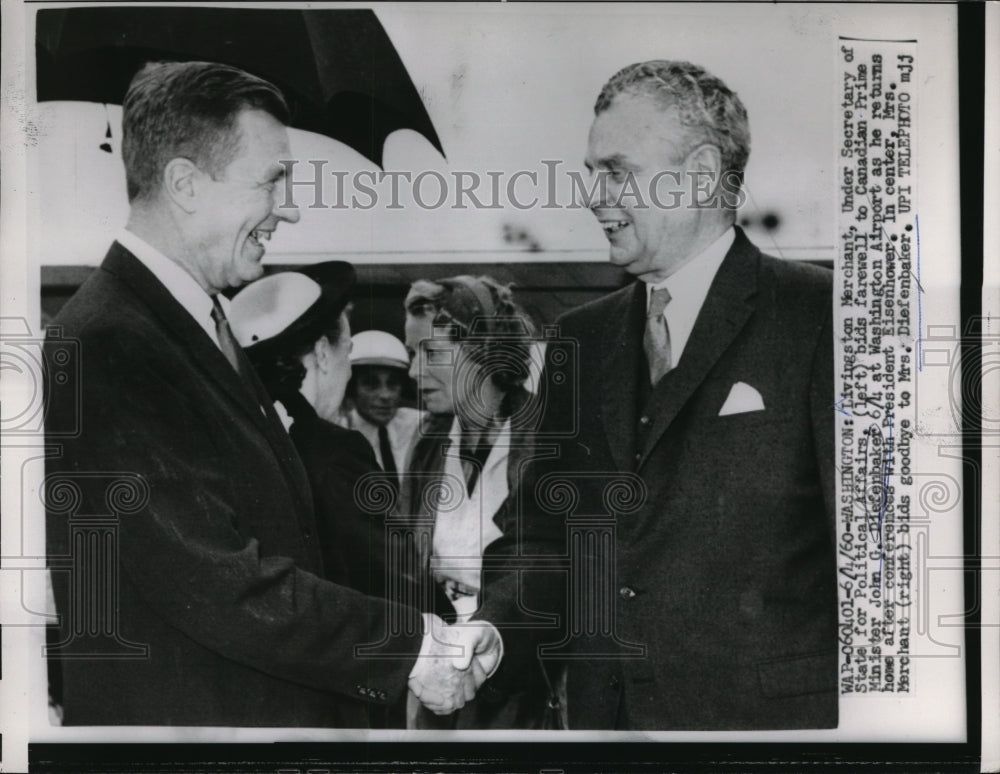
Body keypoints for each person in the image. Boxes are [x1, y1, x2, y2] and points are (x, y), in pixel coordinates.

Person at [44, 60, 499, 726]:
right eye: (272, 180)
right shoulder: (111, 339)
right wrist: (413, 647)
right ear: (185, 184)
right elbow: (213, 578)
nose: (289, 207)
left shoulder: (187, 325)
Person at [480, 60, 837, 730]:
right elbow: (544, 537)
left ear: (700, 174)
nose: (595, 197)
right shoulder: (580, 339)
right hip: (606, 732)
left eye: (617, 172)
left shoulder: (823, 317)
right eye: (593, 173)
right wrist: (493, 632)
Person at [400, 275, 549, 729]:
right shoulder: (428, 441)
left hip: (521, 682)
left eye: (430, 353)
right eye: (411, 354)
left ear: (482, 350)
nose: (414, 372)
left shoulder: (545, 437)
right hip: (439, 671)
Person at [340, 330, 422, 491]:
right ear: (352, 388)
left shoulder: (418, 426)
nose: (385, 395)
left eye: (392, 384)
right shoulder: (341, 435)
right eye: (371, 384)